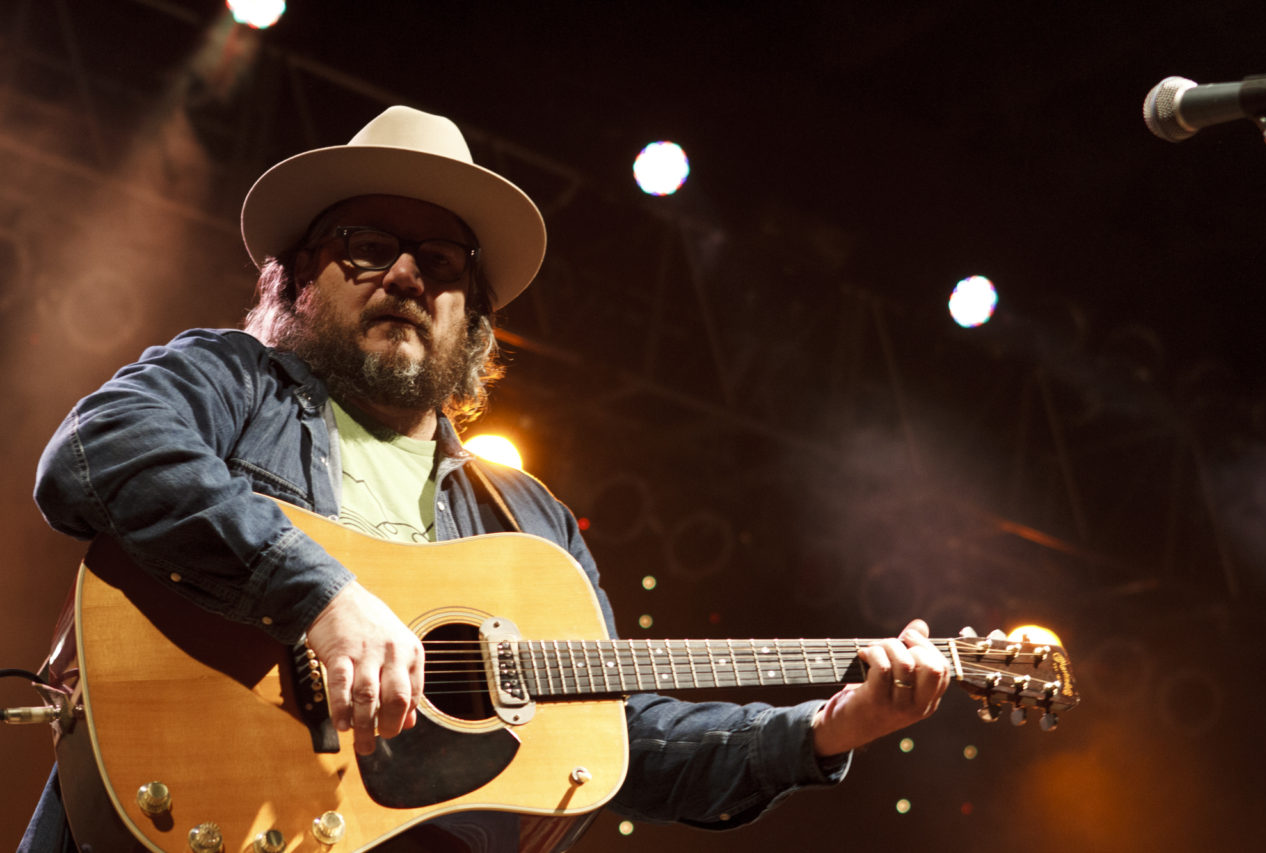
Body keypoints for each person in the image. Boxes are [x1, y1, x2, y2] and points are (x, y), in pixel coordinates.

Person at [20, 107, 949, 852]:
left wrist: (829, 725)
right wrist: (319, 595)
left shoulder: (530, 522)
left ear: (475, 319)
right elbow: (98, 453)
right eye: (366, 243)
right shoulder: (234, 379)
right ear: (295, 276)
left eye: (444, 261)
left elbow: (619, 733)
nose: (408, 274)